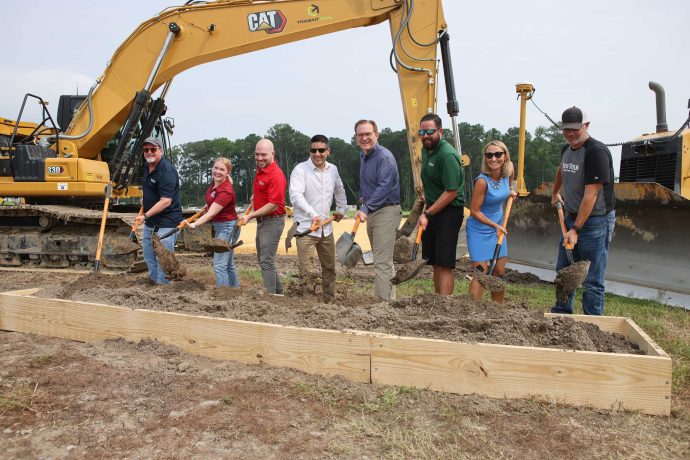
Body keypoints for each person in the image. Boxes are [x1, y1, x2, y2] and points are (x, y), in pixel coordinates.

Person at [551, 106, 616, 315]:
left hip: (596, 222)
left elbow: (592, 195)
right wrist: (555, 192)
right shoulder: (566, 149)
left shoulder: (597, 152)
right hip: (571, 217)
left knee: (593, 278)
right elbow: (562, 169)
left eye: (574, 129)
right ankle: (561, 316)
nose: (569, 133)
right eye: (566, 129)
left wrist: (575, 229)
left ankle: (592, 323)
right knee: (564, 271)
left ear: (586, 126)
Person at [289, 135, 348, 301]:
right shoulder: (300, 170)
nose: (317, 154)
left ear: (327, 151)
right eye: (313, 150)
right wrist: (312, 214)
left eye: (321, 150)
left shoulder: (333, 170)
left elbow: (340, 191)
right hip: (306, 229)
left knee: (329, 267)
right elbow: (295, 196)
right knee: (306, 270)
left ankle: (329, 299)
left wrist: (342, 209)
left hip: (326, 229)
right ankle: (308, 301)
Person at [417, 114, 465, 295]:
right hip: (432, 211)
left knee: (444, 264)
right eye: (422, 131)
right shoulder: (426, 150)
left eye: (430, 131)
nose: (425, 135)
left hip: (448, 213)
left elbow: (452, 191)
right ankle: (438, 301)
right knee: (434, 262)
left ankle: (446, 304)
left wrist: (428, 214)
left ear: (440, 131)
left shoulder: (447, 155)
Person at [354, 119, 401, 300]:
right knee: (384, 262)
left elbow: (385, 186)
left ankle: (382, 306)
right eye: (360, 135)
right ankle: (390, 302)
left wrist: (366, 207)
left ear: (376, 135)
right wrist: (363, 196)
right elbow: (368, 181)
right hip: (374, 211)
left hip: (386, 212)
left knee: (381, 262)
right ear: (356, 138)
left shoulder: (384, 157)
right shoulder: (364, 156)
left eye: (368, 134)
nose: (364, 138)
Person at [465, 140, 517, 303]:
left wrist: (510, 191)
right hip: (480, 229)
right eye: (489, 155)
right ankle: (471, 311)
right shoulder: (482, 181)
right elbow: (474, 210)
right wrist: (495, 225)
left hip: (498, 228)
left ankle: (498, 309)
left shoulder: (509, 171)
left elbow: (510, 186)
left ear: (505, 156)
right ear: (485, 158)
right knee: (481, 271)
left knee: (499, 271)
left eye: (498, 154)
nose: (493, 159)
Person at [239, 139, 287, 294]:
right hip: (264, 221)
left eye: (263, 155)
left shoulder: (276, 175)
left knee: (266, 260)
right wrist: (257, 195)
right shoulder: (262, 170)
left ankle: (269, 296)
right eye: (257, 154)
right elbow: (265, 190)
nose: (259, 158)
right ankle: (278, 293)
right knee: (265, 260)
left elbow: (273, 204)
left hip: (273, 221)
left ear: (272, 154)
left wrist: (250, 215)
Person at [134, 137, 183, 285]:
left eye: (153, 149)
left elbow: (166, 201)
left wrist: (145, 215)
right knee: (149, 257)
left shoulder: (167, 171)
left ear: (160, 151)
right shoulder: (147, 167)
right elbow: (151, 190)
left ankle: (164, 290)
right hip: (152, 223)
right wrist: (145, 201)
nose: (149, 152)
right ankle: (154, 285)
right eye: (146, 150)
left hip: (167, 223)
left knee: (164, 260)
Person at [186, 158, 240, 288]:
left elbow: (211, 214)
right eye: (216, 168)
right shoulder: (216, 184)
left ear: (228, 172)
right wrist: (208, 204)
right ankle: (234, 290)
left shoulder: (226, 190)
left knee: (219, 265)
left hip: (228, 228)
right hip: (222, 226)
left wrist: (194, 224)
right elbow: (213, 200)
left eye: (222, 169)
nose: (217, 171)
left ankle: (223, 294)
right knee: (227, 264)